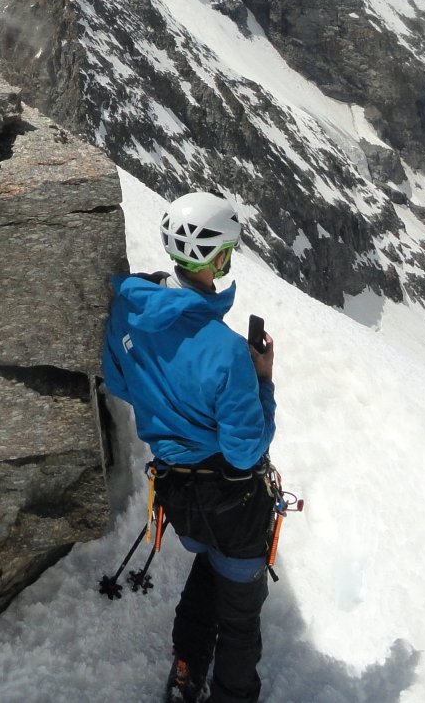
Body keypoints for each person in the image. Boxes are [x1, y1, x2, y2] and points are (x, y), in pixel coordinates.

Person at [102, 191, 277, 703]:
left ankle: (185, 675)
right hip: (235, 501)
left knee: (205, 570)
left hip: (178, 498)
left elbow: (120, 383)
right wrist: (262, 380)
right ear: (219, 258)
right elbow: (246, 450)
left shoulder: (128, 313)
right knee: (240, 615)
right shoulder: (227, 352)